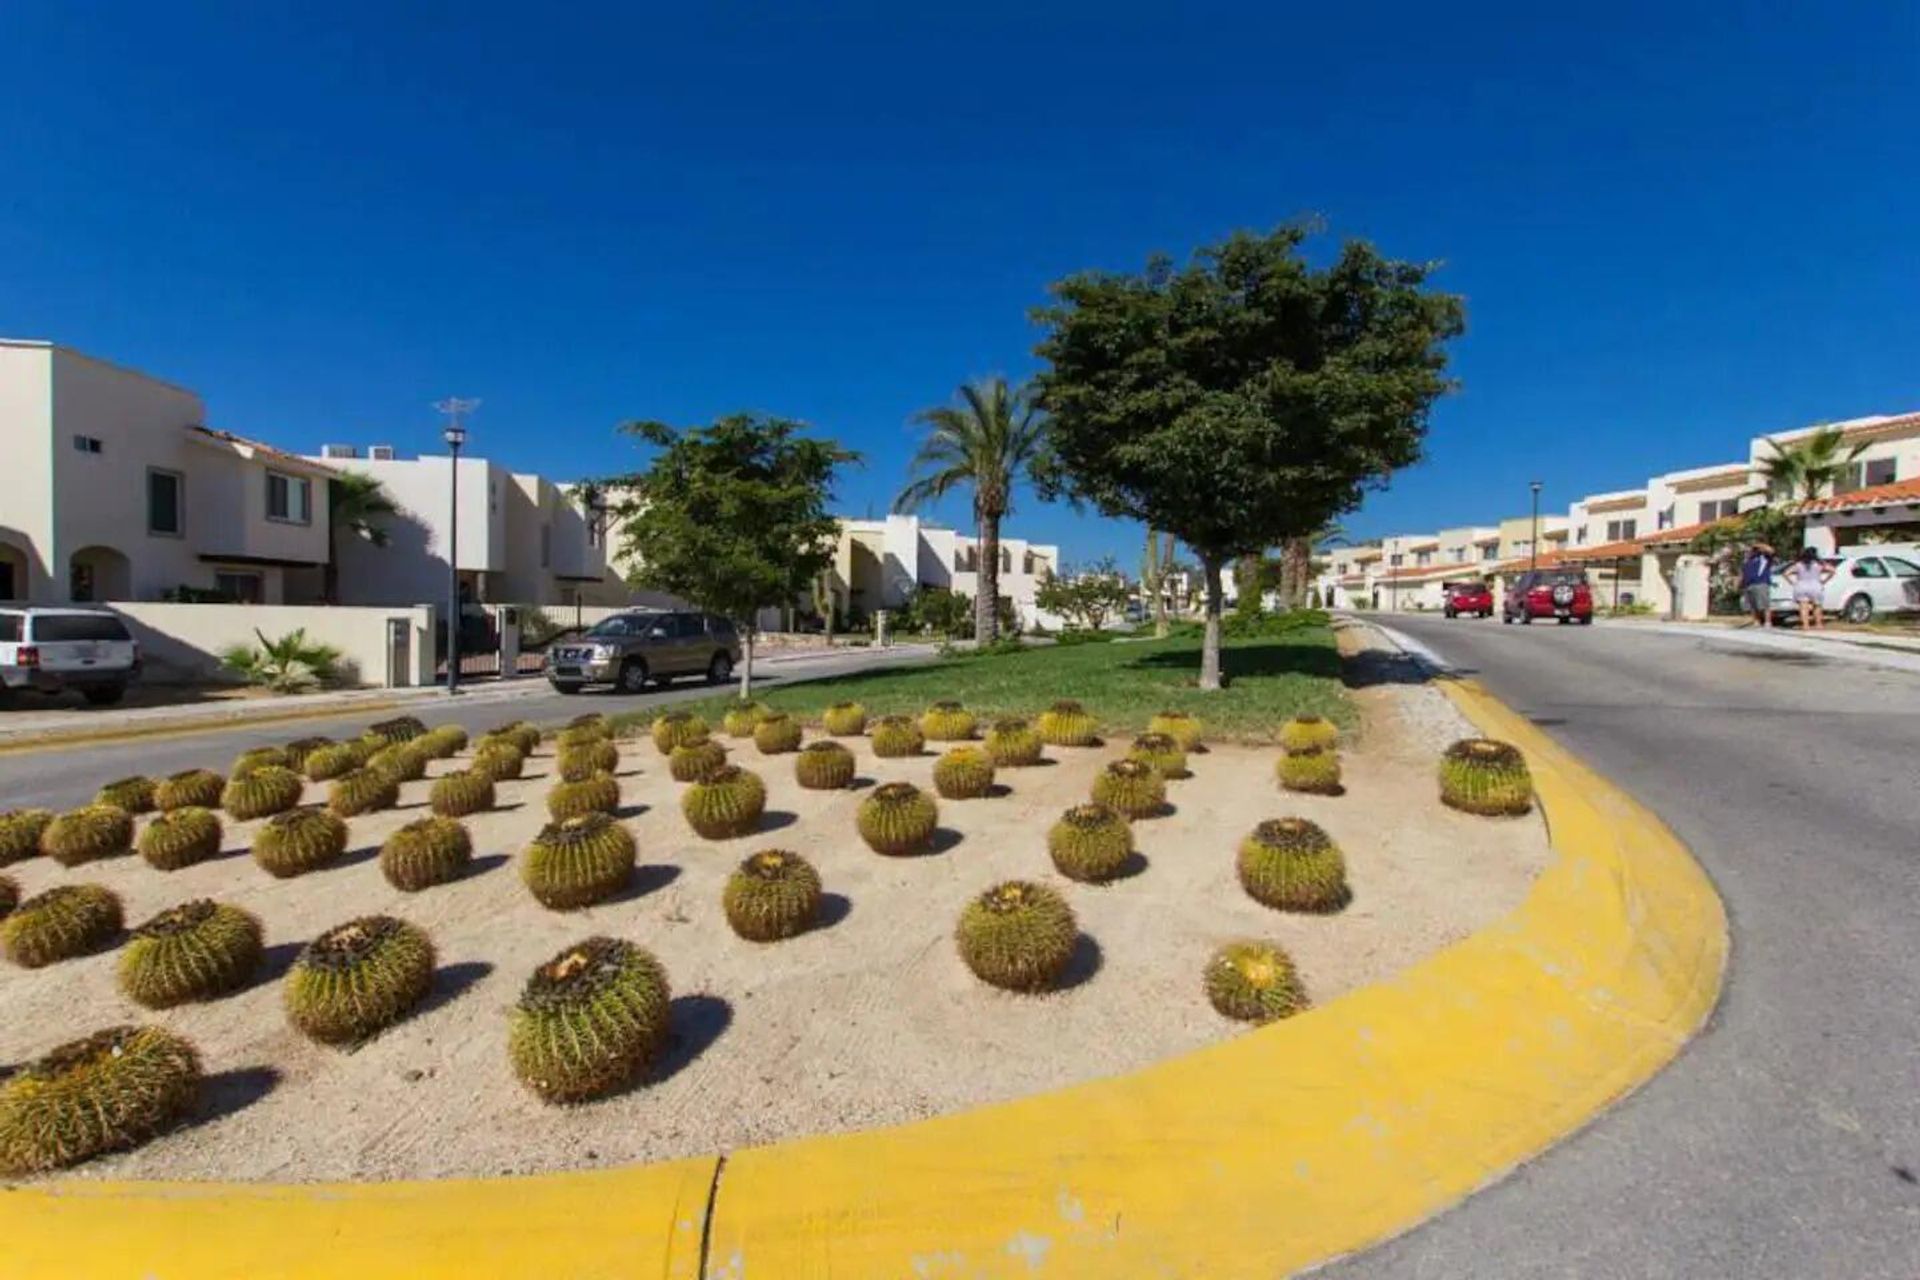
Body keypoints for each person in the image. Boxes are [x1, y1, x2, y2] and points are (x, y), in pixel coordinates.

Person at [1785, 546, 1835, 630]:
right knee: (1817, 606)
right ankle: (1818, 624)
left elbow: (1786, 573)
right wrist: (1824, 581)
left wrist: (1792, 582)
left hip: (1801, 586)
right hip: (1816, 585)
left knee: (1803, 607)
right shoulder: (1819, 564)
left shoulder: (1799, 564)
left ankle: (1805, 625)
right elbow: (1832, 570)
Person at [1739, 541, 1776, 627]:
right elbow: (1742, 573)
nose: (1750, 552)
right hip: (1748, 585)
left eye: (1752, 551)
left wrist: (1758, 545)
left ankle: (1767, 621)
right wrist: (1740, 584)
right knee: (1752, 605)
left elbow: (1771, 551)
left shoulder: (1764, 559)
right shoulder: (1747, 561)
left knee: (1764, 604)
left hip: (1761, 583)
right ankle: (1756, 621)